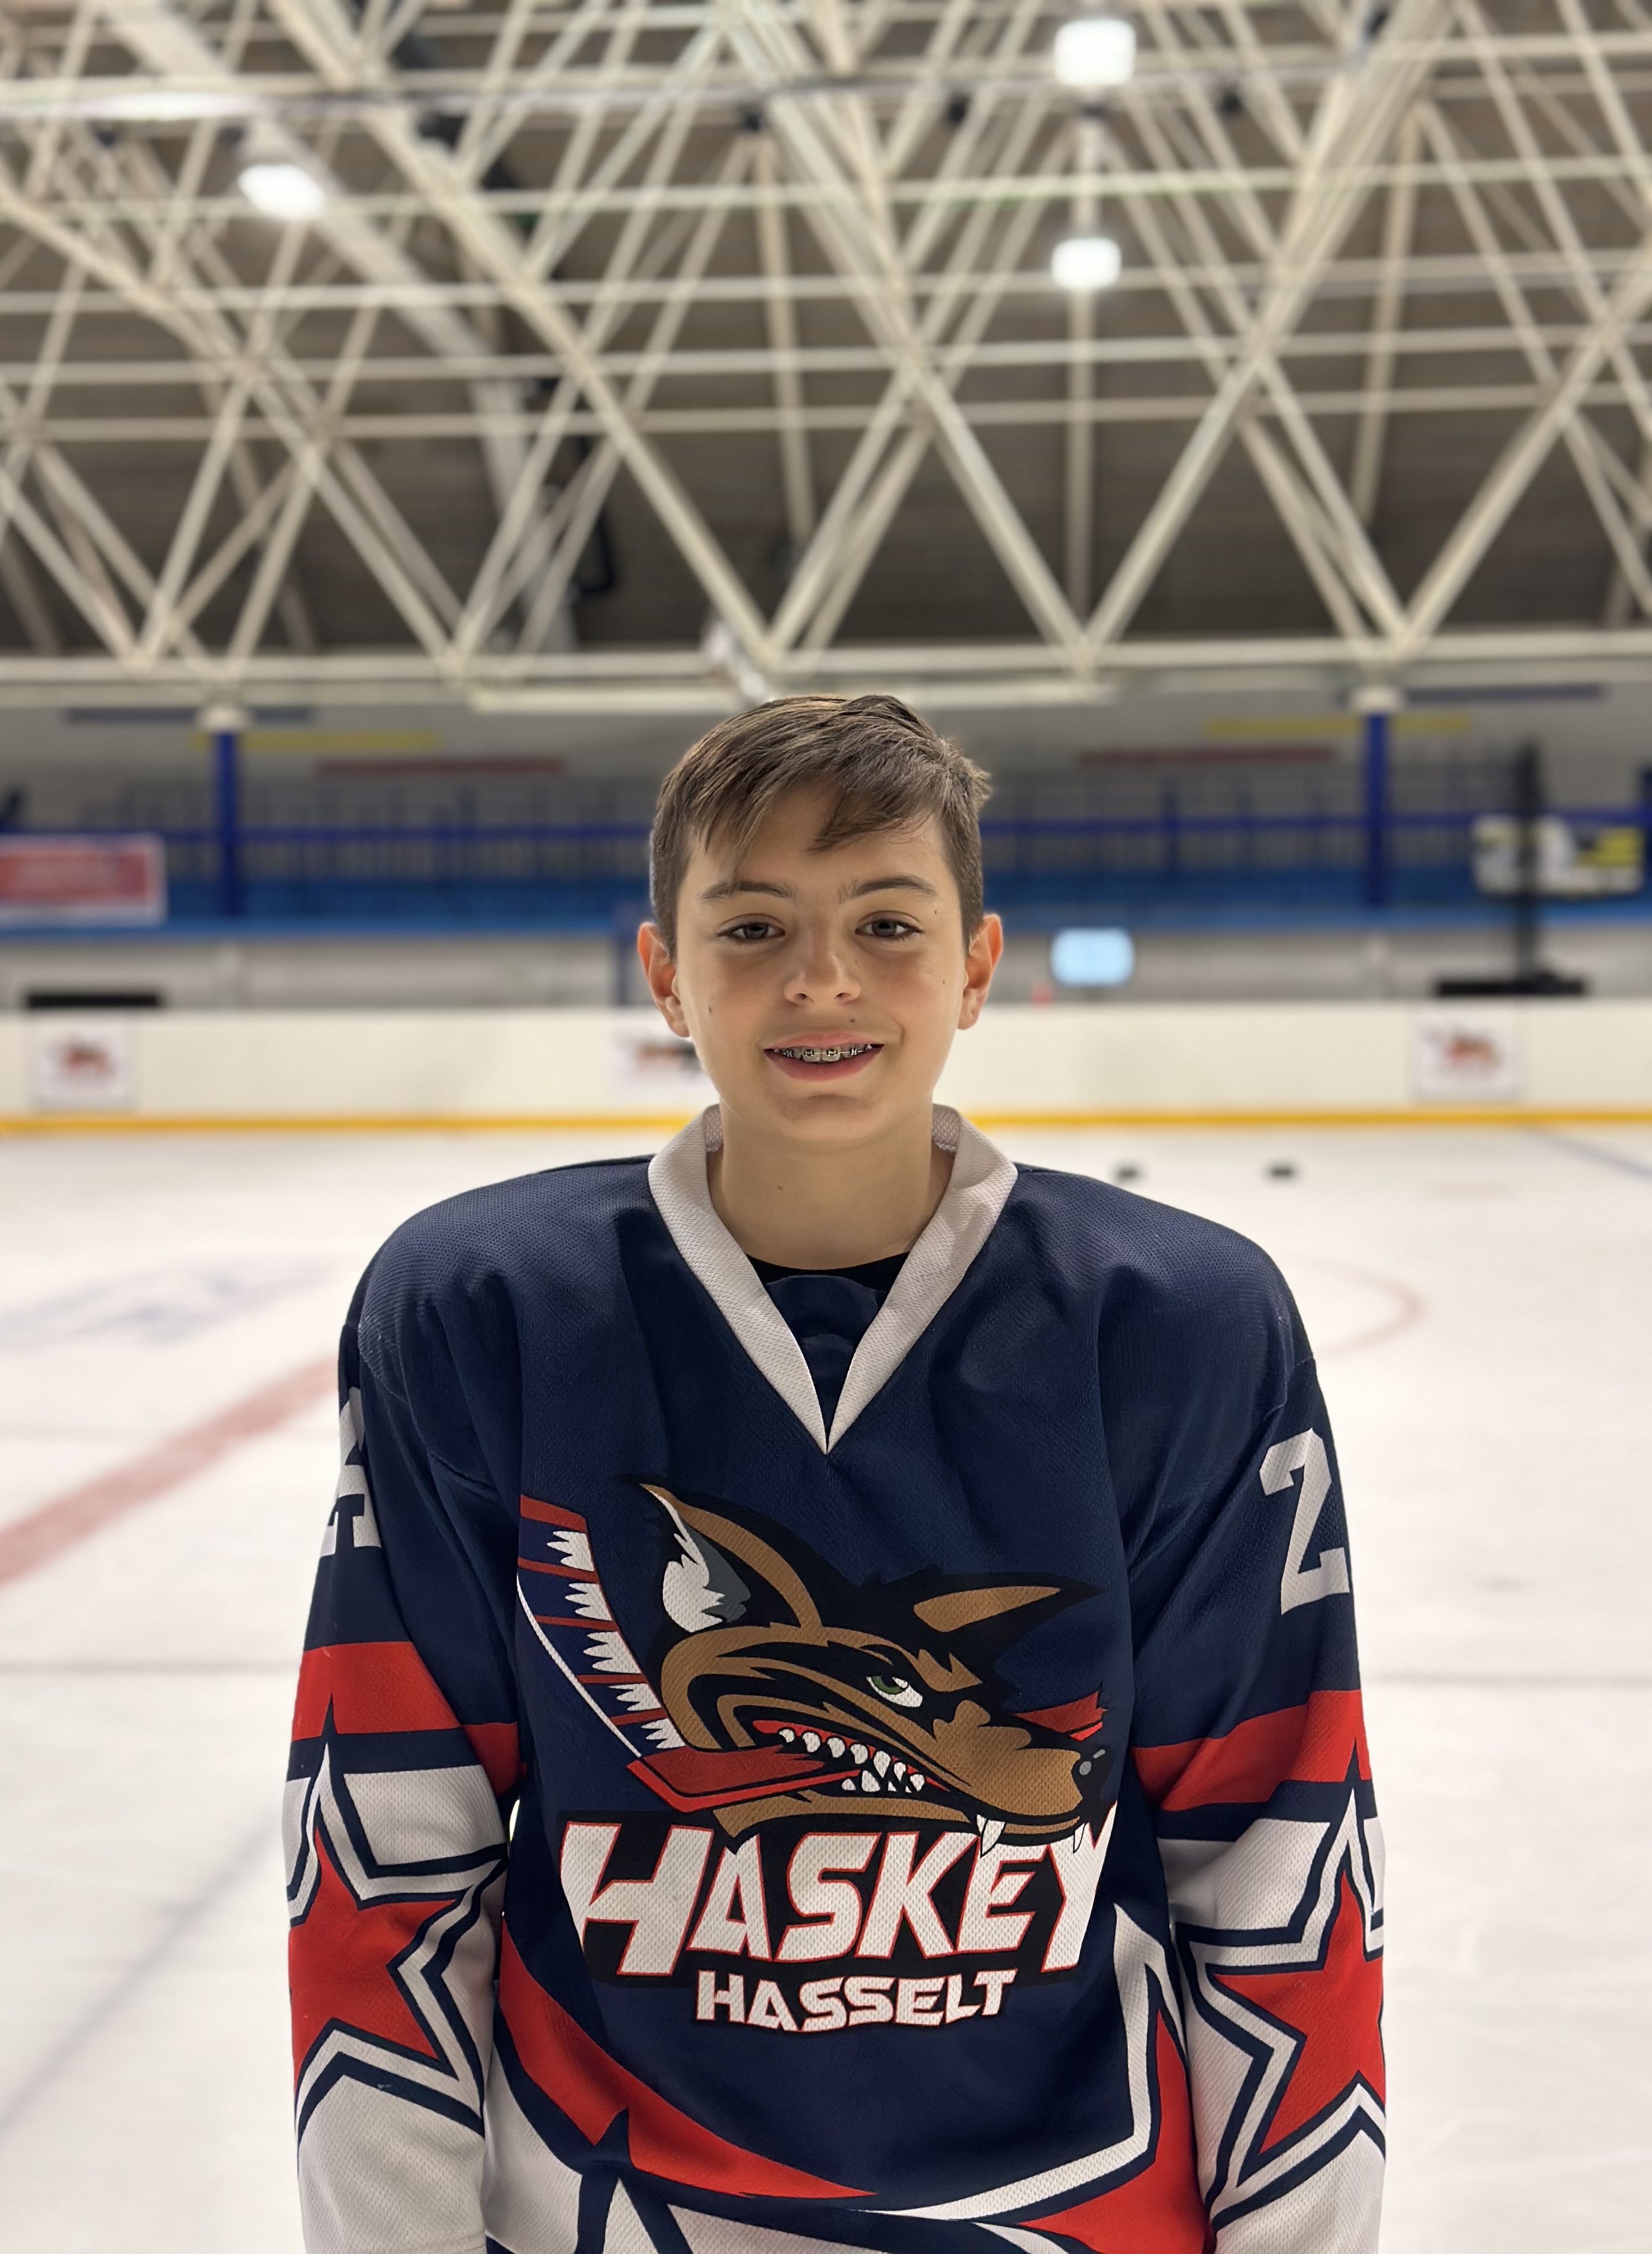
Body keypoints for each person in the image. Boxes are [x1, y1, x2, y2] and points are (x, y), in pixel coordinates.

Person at [286, 694, 1384, 2254]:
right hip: (607, 2210)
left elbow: (1279, 1857)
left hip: (1073, 2213)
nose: (822, 980)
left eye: (886, 924)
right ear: (663, 971)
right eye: (753, 928)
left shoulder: (1175, 1325)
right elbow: (391, 1853)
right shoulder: (486, 1309)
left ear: (976, 966)